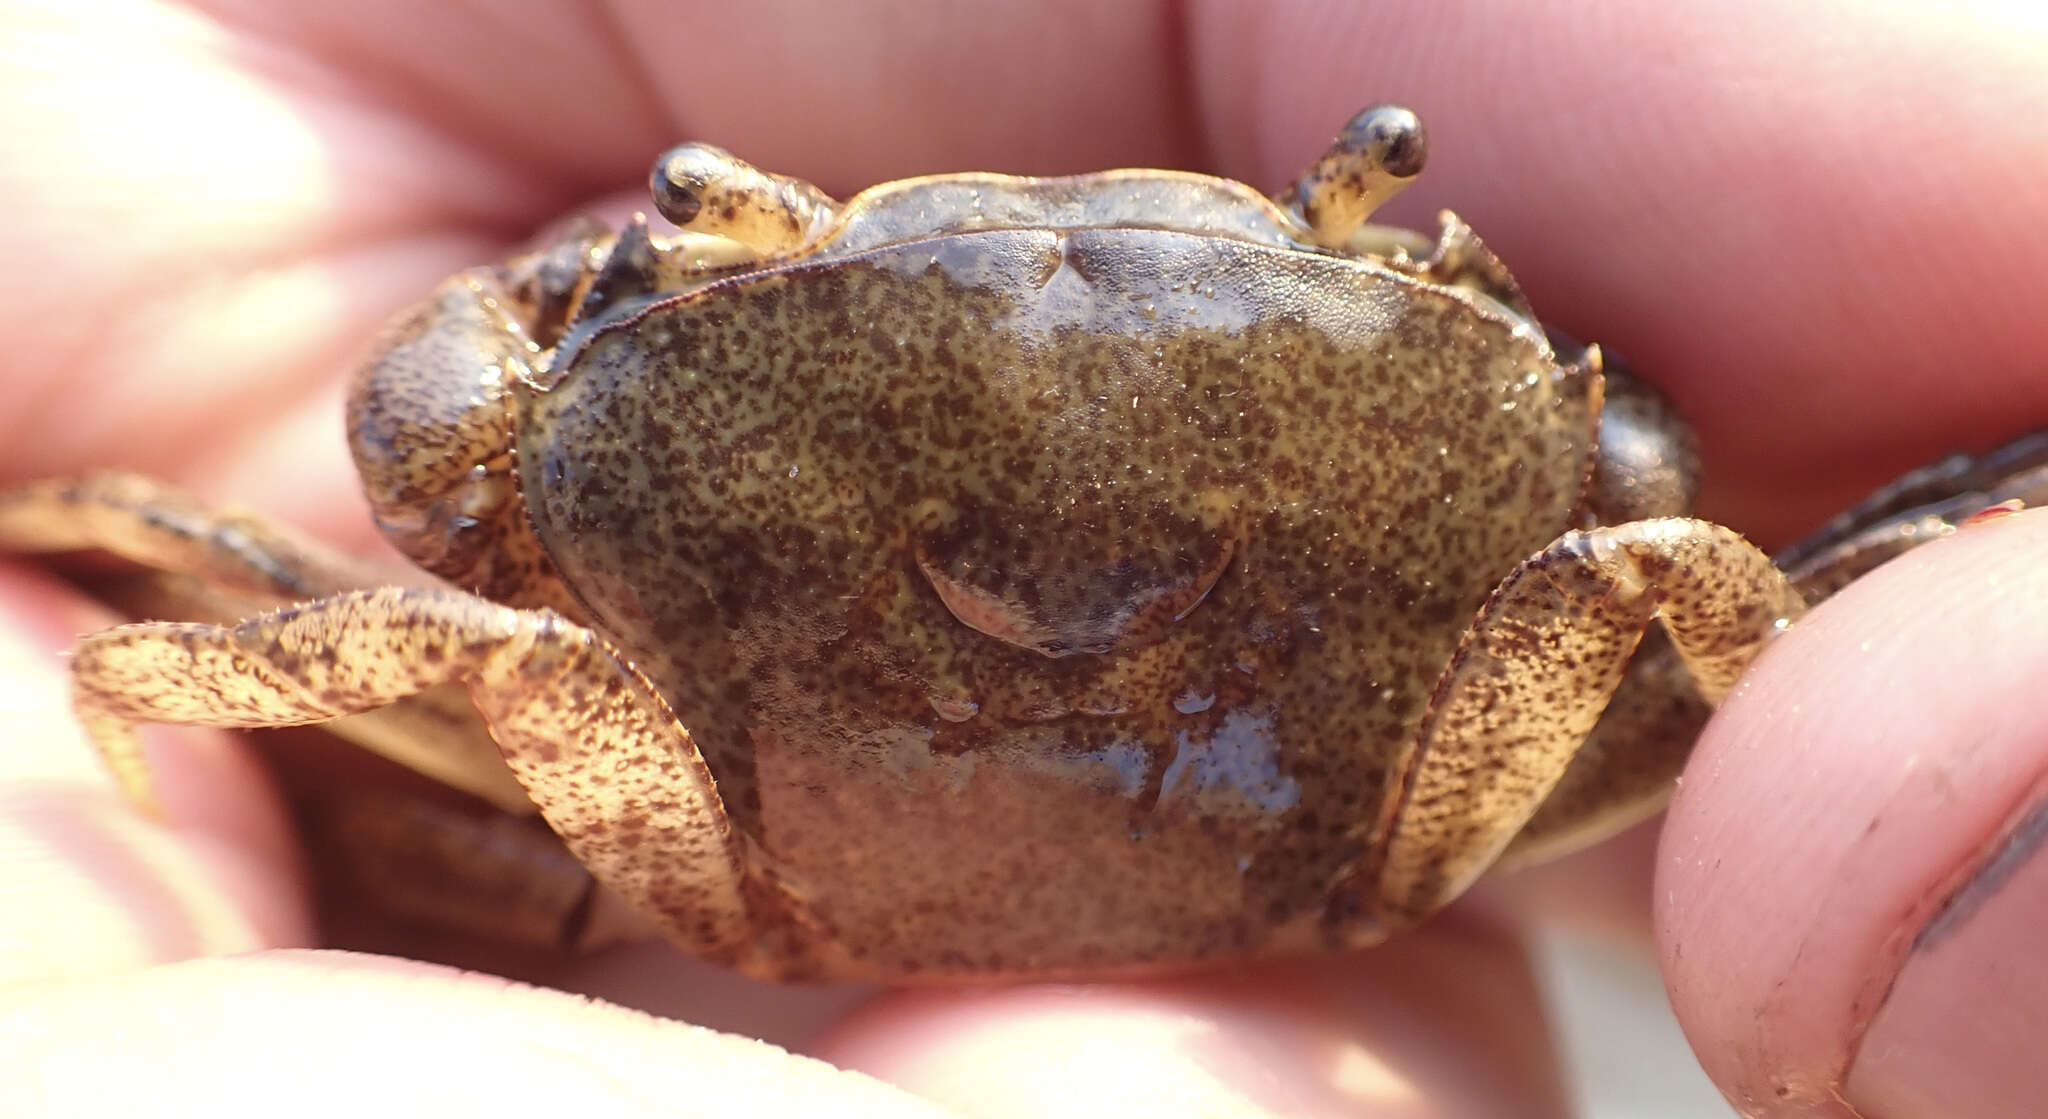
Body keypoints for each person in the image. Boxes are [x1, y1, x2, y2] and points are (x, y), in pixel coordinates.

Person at [2, 3, 2042, 1115]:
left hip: (705, 880)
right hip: (1390, 845)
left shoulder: (581, 567)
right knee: (1662, 577)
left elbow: (388, 561)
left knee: (480, 665)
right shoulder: (1468, 394)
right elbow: (1648, 537)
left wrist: (606, 289)